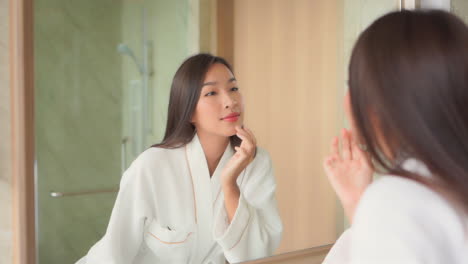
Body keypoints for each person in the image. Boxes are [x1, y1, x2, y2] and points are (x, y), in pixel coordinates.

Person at [76, 53, 283, 264]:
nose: (230, 101)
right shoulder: (152, 165)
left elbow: (257, 254)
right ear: (189, 110)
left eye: (234, 88)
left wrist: (229, 185)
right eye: (211, 93)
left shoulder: (256, 162)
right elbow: (115, 251)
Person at [323, 10, 468, 264]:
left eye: (352, 85)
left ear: (380, 105)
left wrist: (373, 207)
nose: (347, 100)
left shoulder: (396, 201)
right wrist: (360, 204)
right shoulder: (444, 187)